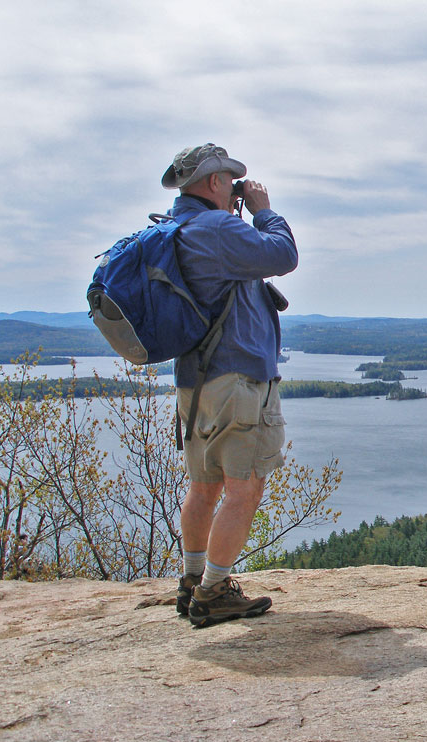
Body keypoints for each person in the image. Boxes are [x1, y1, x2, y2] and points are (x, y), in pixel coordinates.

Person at [161, 143, 298, 627]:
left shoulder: (175, 228)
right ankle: (214, 591)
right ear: (215, 182)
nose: (236, 188)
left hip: (195, 383)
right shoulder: (217, 228)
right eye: (231, 180)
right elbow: (283, 255)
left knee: (203, 485)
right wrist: (264, 211)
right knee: (245, 487)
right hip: (239, 378)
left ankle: (193, 581)